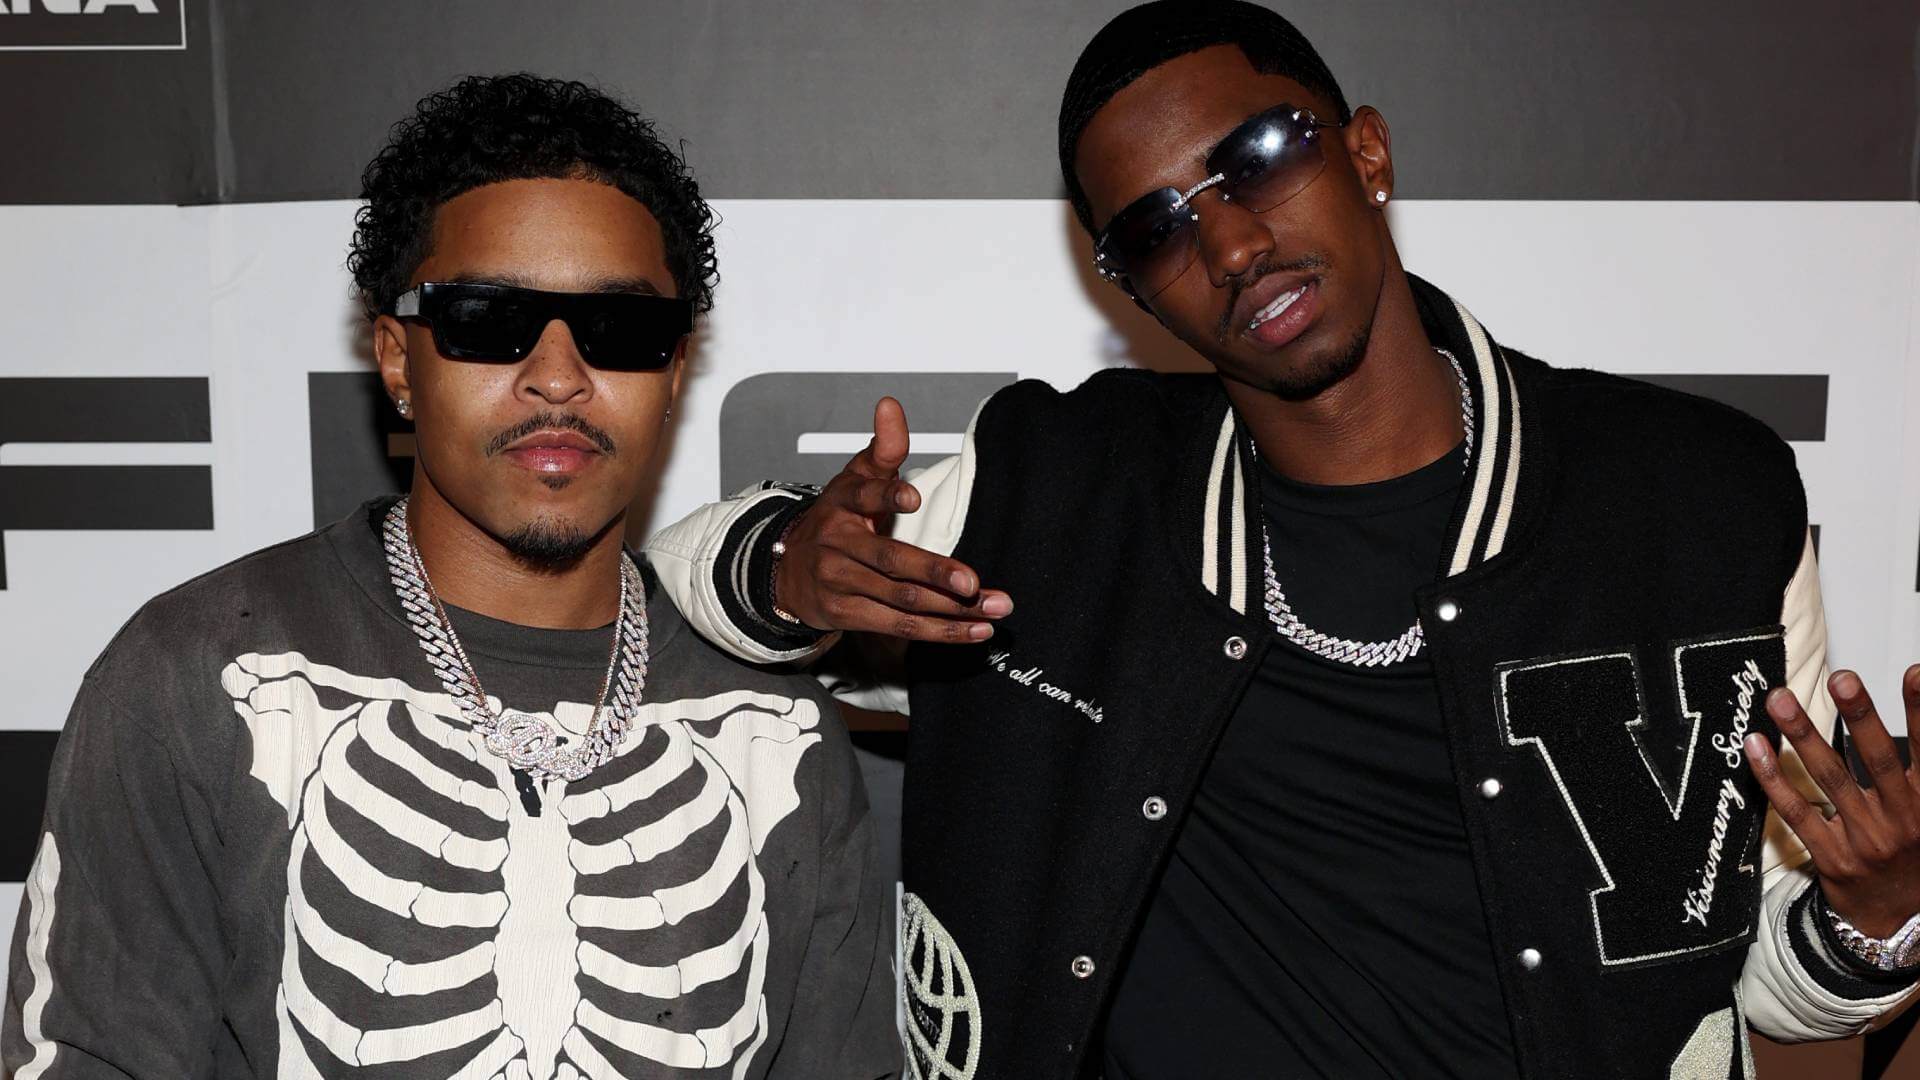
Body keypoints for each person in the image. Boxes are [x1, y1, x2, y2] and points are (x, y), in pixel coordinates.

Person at [646, 4, 1920, 1077]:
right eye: (1155, 227)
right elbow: (667, 582)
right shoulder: (1066, 486)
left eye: (1259, 156)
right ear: (1127, 287)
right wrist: (789, 568)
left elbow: (1767, 990)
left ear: (1367, 151)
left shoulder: (1694, 499)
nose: (1232, 244)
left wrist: (1874, 917)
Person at [2, 74, 899, 1079]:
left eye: (620, 330)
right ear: (397, 358)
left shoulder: (776, 726)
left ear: (676, 369)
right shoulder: (198, 677)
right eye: (485, 317)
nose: (558, 376)